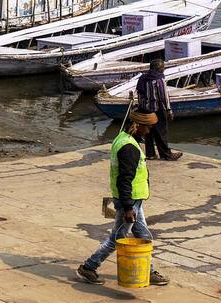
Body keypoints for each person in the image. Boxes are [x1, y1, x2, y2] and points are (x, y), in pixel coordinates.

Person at [77, 110, 170, 286]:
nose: (149, 131)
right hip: (129, 201)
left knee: (143, 234)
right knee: (117, 238)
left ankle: (149, 271)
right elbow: (124, 179)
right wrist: (127, 208)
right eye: (148, 128)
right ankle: (89, 266)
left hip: (133, 200)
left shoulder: (122, 138)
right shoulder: (129, 148)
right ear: (137, 126)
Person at [136, 59, 182, 161]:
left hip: (145, 110)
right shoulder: (159, 80)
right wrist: (169, 111)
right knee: (161, 133)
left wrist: (141, 108)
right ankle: (166, 154)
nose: (163, 69)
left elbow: (139, 94)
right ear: (158, 69)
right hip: (157, 111)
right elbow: (164, 97)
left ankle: (150, 154)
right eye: (162, 67)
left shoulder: (143, 78)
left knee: (148, 132)